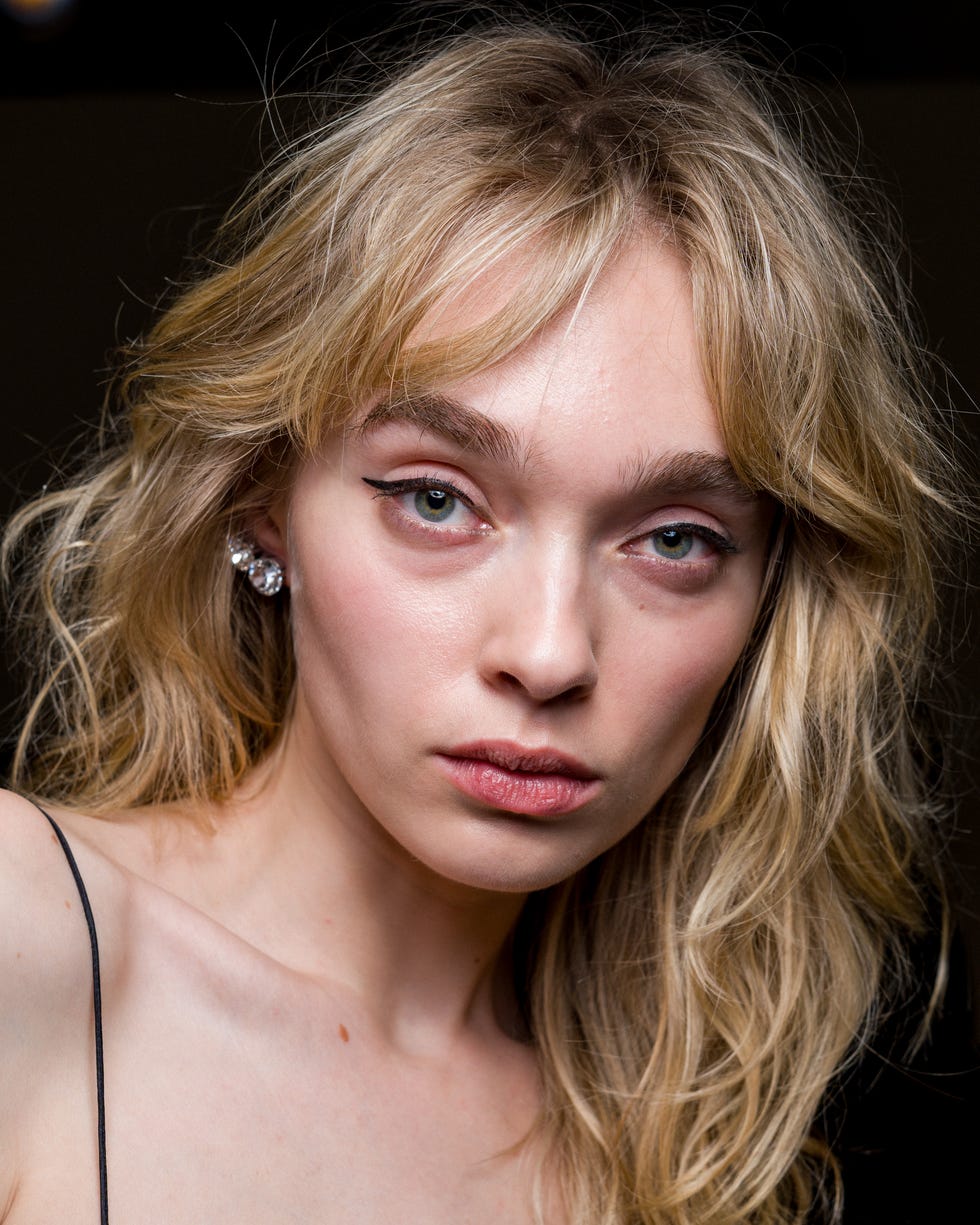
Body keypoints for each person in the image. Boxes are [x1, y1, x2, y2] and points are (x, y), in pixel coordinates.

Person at [0, 21, 958, 1225]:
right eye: (437, 501)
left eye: (673, 540)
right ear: (263, 504)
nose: (549, 653)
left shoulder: (694, 1140)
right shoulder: (28, 935)